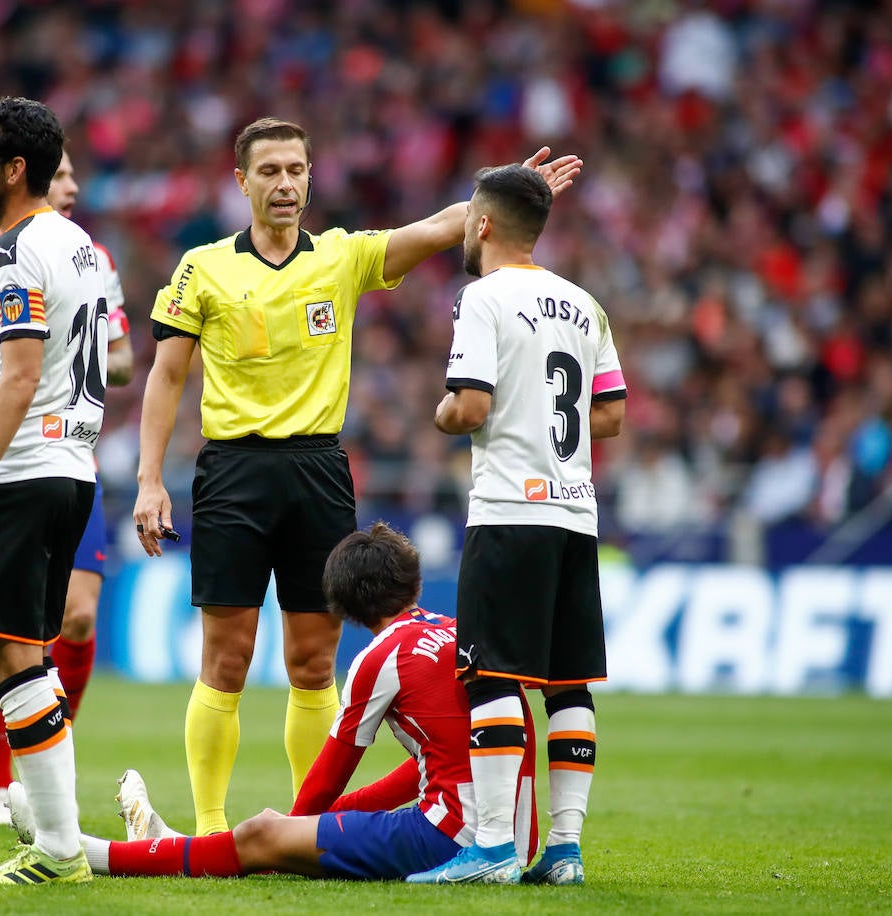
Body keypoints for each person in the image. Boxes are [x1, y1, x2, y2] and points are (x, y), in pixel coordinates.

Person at [132, 116, 581, 836]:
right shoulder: (202, 267)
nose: (285, 184)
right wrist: (150, 478)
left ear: (311, 177)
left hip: (316, 469)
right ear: (241, 181)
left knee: (313, 661)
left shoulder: (341, 257)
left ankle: (305, 824)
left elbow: (440, 227)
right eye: (270, 171)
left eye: (296, 170)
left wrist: (510, 195)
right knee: (228, 656)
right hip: (232, 471)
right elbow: (166, 375)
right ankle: (213, 827)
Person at [7, 523, 535, 880]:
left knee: (263, 830)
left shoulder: (381, 658)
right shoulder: (455, 631)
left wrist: (288, 833)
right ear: (412, 579)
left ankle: (91, 852)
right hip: (518, 833)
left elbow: (329, 777)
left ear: (343, 602)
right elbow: (439, 761)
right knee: (286, 830)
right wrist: (313, 827)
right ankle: (167, 843)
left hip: (454, 838)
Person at [407, 164, 626, 885]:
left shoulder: (484, 297)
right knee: (568, 684)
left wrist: (441, 416)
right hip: (574, 511)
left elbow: (468, 407)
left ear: (483, 225)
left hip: (509, 512)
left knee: (491, 675)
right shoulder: (584, 303)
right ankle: (563, 850)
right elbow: (611, 415)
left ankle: (494, 847)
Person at [0, 148, 133, 828]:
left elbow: (116, 358)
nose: (69, 185)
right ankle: (6, 785)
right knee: (7, 634)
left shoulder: (91, 260)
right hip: (12, 458)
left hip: (55, 460)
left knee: (65, 620)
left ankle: (48, 799)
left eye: (73, 176)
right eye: (60, 174)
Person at [0, 95, 108, 886]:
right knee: (31, 659)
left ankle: (58, 849)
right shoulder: (79, 245)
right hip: (73, 466)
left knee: (11, 659)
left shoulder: (10, 252)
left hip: (20, 472)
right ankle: (60, 839)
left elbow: (17, 372)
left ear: (14, 169)